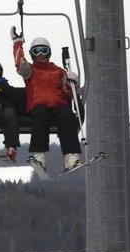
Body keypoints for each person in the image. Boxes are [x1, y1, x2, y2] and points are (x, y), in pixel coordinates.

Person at [10, 28, 83, 172]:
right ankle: (40, 155)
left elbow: (67, 92)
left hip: (59, 104)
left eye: (43, 50)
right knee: (40, 116)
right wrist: (17, 43)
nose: (41, 54)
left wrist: (73, 82)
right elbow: (20, 65)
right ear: (32, 54)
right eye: (37, 51)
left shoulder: (59, 71)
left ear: (48, 53)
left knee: (67, 116)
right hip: (39, 104)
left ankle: (70, 157)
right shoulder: (30, 70)